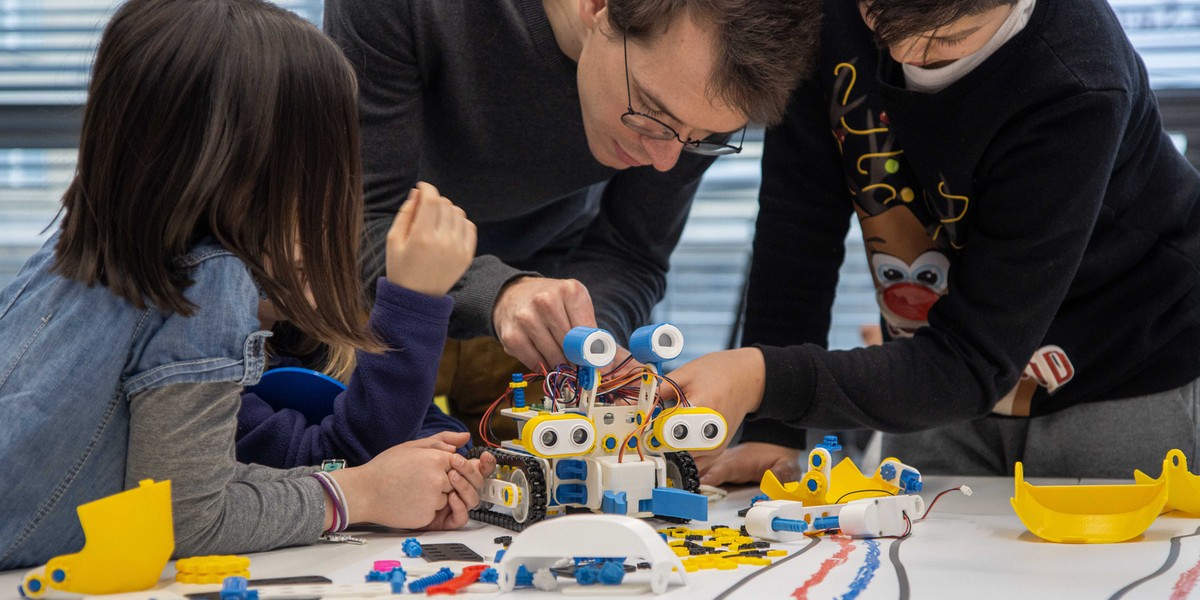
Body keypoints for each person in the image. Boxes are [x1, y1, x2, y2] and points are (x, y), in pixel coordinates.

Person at [0, 0, 493, 571]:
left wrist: (379, 481)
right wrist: (360, 494)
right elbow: (189, 517)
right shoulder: (209, 280)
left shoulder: (77, 248)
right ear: (266, 168)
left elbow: (193, 480)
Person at [673, 0, 1200, 483]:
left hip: (1120, 370)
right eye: (877, 20)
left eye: (946, 41)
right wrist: (775, 432)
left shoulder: (1077, 78)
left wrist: (765, 380)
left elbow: (974, 360)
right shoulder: (826, 13)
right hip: (932, 369)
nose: (903, 54)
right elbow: (797, 228)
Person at [321, 0, 821, 441]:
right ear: (597, 5)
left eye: (702, 137)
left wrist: (592, 337)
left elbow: (631, 252)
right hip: (372, 306)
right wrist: (501, 293)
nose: (667, 160)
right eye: (651, 112)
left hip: (538, 311)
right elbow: (358, 219)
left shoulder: (689, 98)